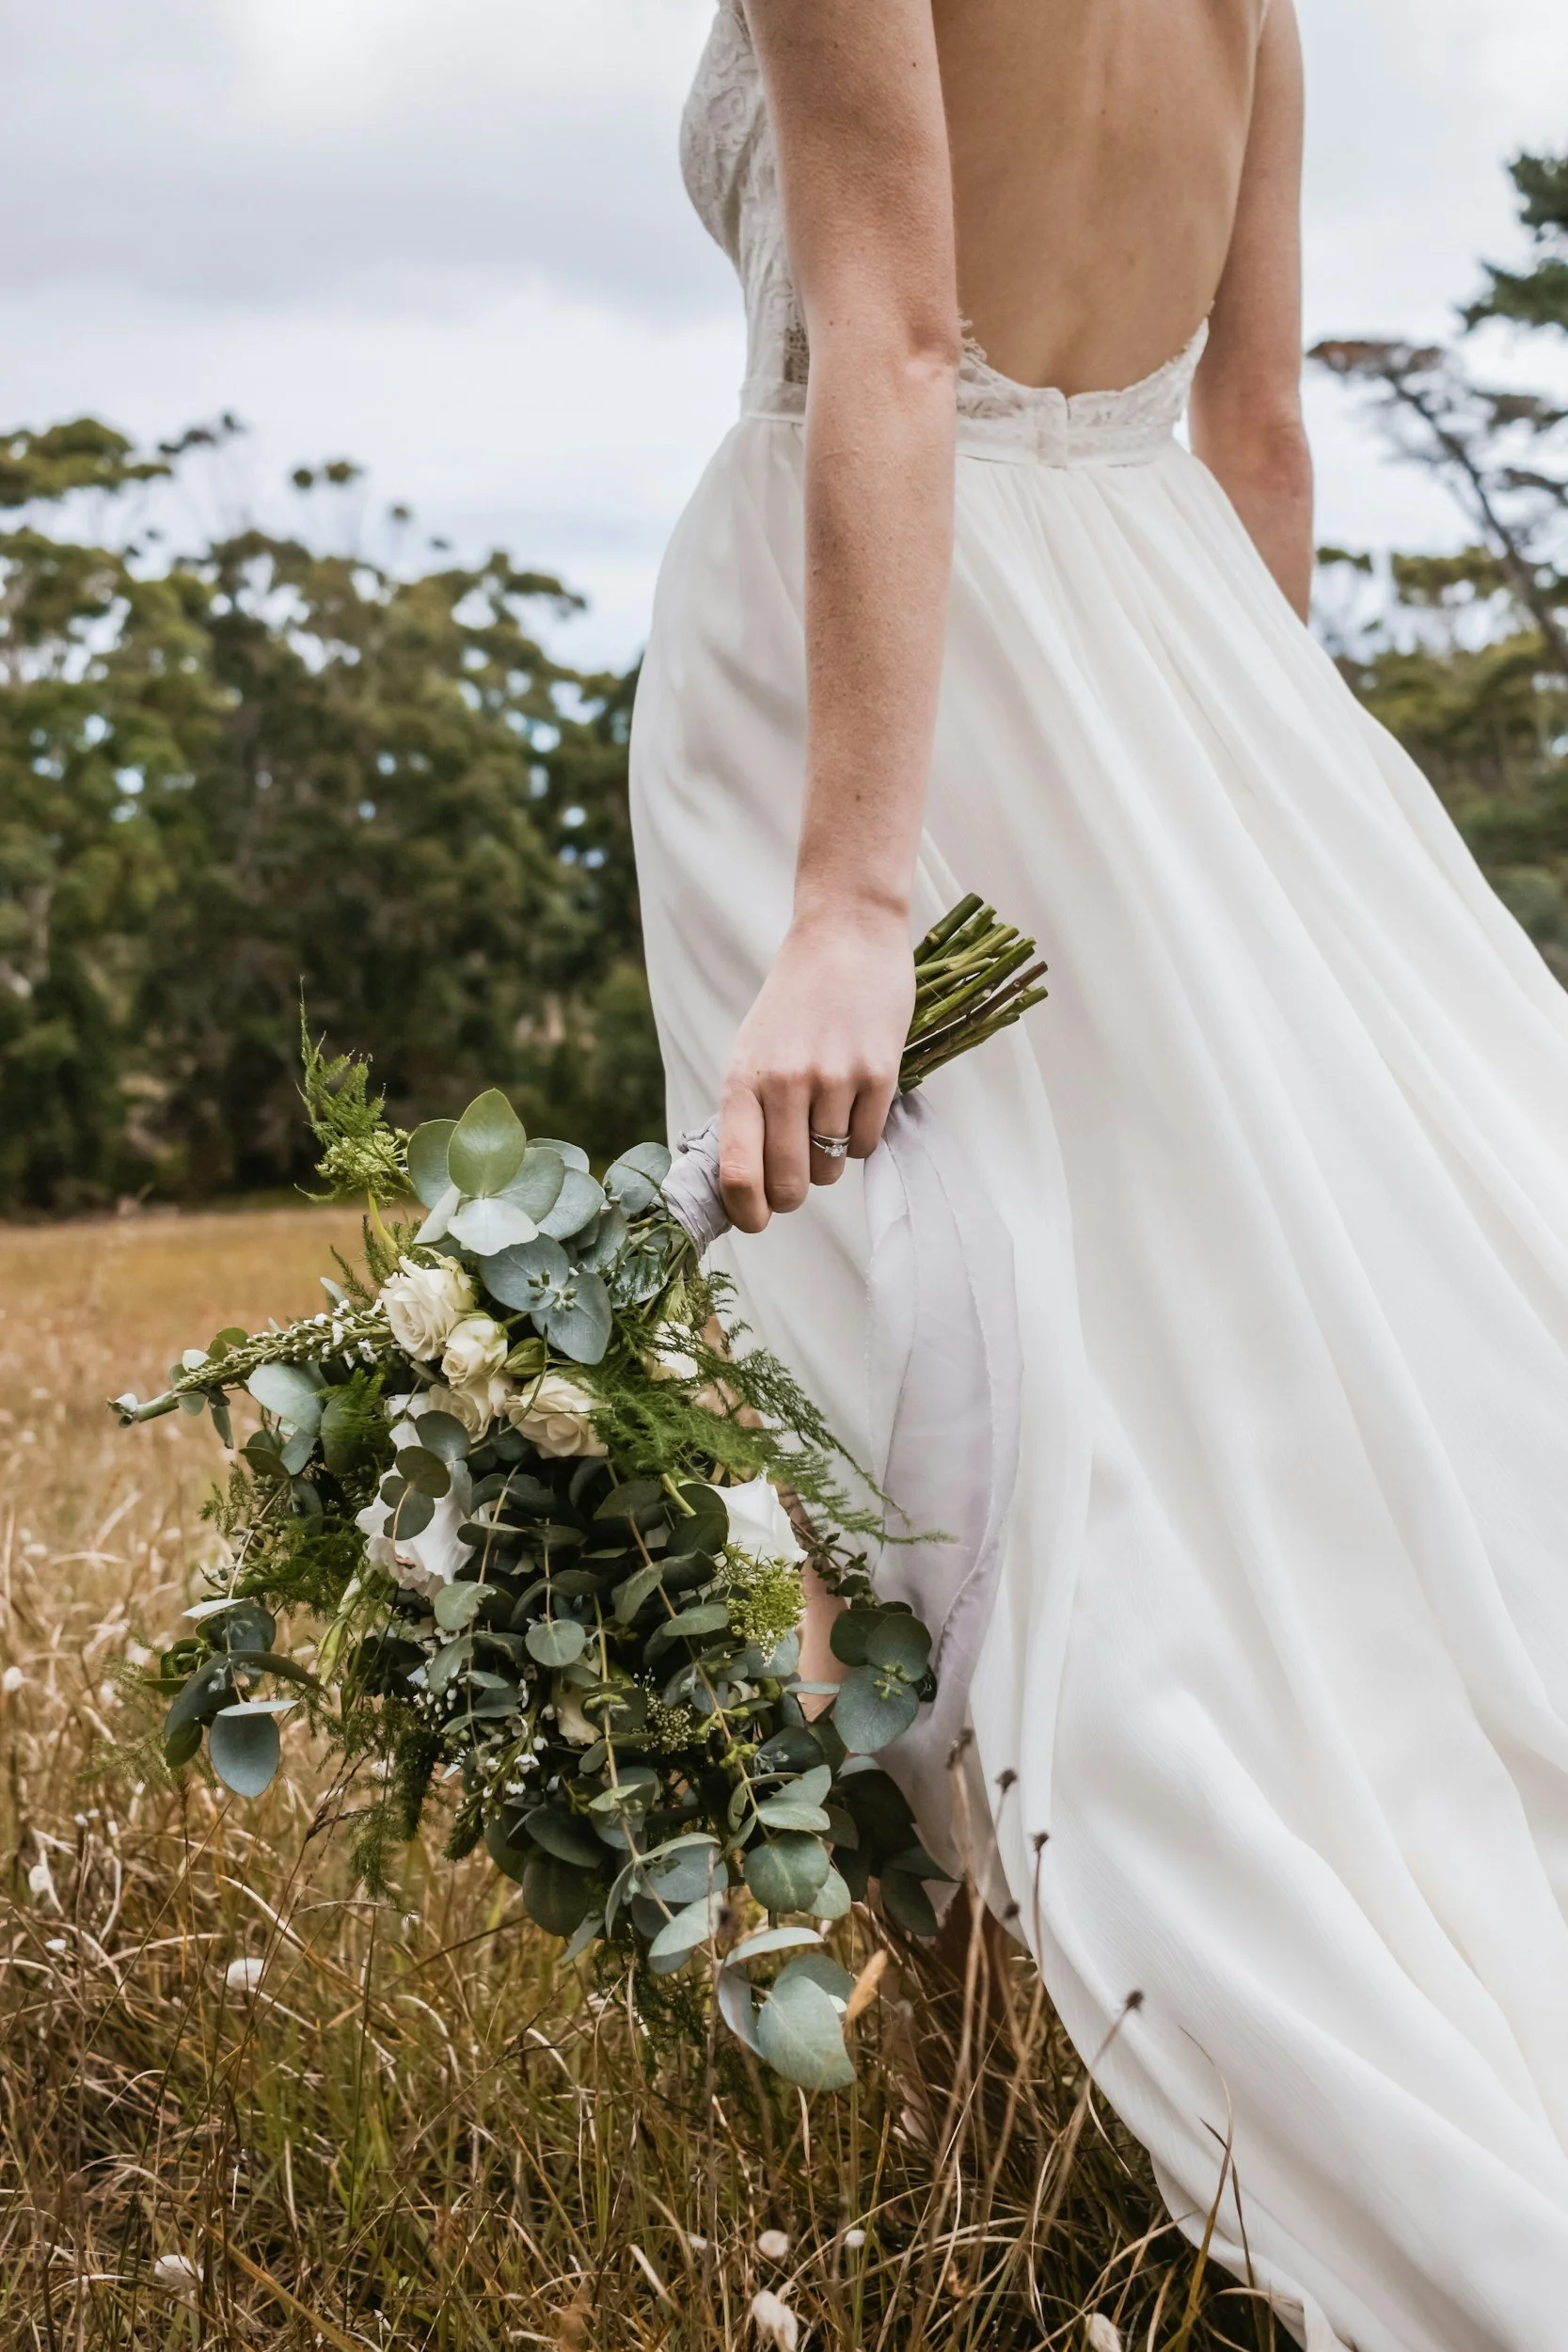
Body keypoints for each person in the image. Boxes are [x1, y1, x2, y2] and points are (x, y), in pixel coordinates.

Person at [628, 3, 1568, 2343]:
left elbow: (901, 335)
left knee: (909, 1395)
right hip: (1187, 676)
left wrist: (852, 899)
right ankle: (1005, 2087)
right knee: (1229, 1355)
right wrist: (1239, 827)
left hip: (874, 678)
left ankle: (1012, 2081)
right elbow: (1254, 434)